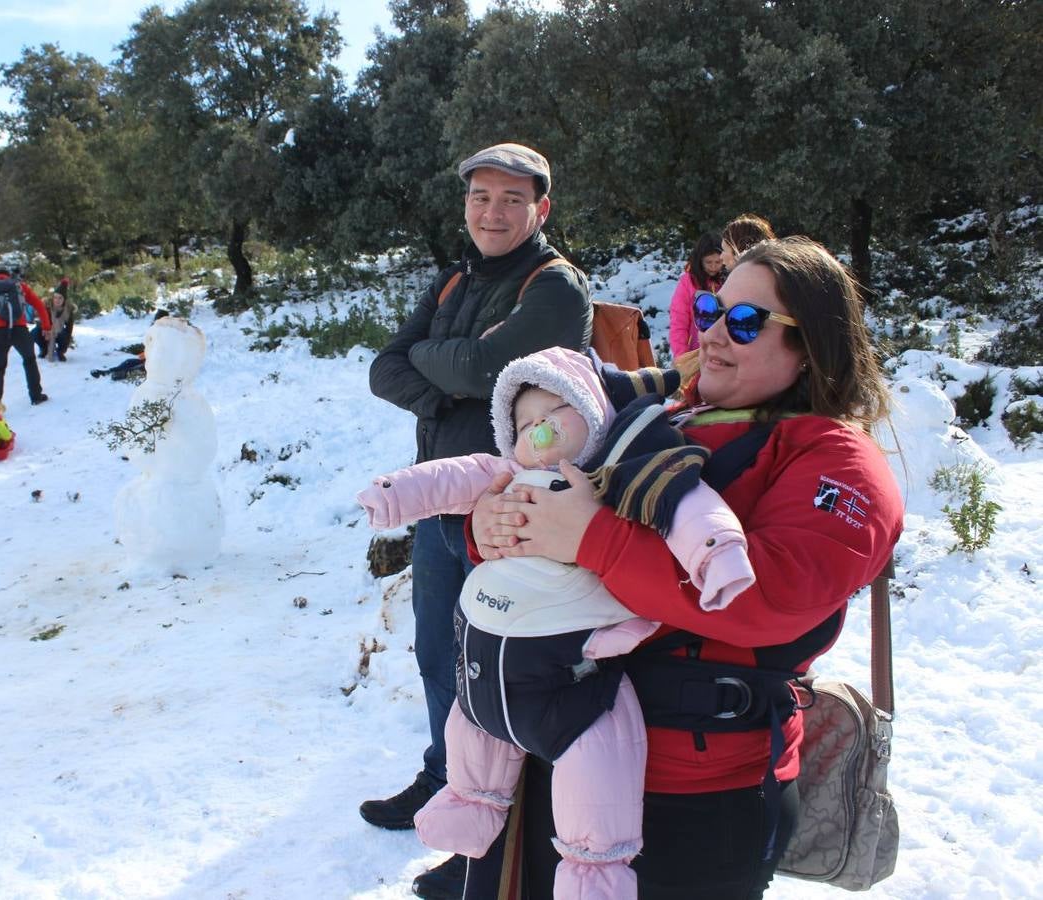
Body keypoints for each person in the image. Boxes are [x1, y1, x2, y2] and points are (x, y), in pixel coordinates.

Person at [470, 237, 903, 899]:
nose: (715, 331)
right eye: (710, 308)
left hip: (698, 793)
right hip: (570, 748)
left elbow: (773, 599)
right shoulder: (659, 414)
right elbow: (546, 492)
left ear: (812, 344)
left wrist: (594, 539)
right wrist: (495, 526)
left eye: (748, 320)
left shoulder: (836, 461)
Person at [360, 348, 756, 898]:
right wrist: (395, 497)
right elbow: (449, 477)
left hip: (572, 675)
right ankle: (470, 803)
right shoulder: (506, 474)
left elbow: (687, 504)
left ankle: (594, 872)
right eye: (525, 424)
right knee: (470, 729)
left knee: (595, 767)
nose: (540, 429)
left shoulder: (625, 471)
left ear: (593, 411)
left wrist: (716, 551)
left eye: (555, 411)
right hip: (489, 669)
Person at [362, 142, 593, 900]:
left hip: (514, 516)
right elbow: (386, 367)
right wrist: (447, 385)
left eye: (510, 199)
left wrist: (448, 370)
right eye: (480, 197)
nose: (492, 212)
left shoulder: (555, 289)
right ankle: (444, 785)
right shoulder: (455, 275)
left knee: (501, 672)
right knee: (439, 657)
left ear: (541, 210)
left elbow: (473, 373)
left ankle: (496, 841)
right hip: (441, 507)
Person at [0, 267, 50, 405]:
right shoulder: (20, 287)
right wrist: (46, 326)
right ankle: (36, 396)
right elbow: (39, 305)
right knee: (29, 361)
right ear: (9, 277)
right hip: (20, 330)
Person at [667, 232, 725, 359]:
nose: (714, 267)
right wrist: (682, 355)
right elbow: (679, 321)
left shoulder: (729, 280)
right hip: (695, 352)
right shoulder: (688, 282)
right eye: (708, 262)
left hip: (723, 349)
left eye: (718, 262)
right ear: (700, 261)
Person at [36, 290, 74, 361]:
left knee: (64, 334)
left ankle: (60, 351)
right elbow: (40, 320)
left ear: (64, 299)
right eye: (55, 298)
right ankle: (44, 349)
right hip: (47, 329)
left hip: (59, 330)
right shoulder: (47, 307)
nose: (57, 300)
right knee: (35, 332)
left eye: (60, 298)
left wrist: (64, 348)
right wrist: (46, 330)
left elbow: (69, 329)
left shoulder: (68, 310)